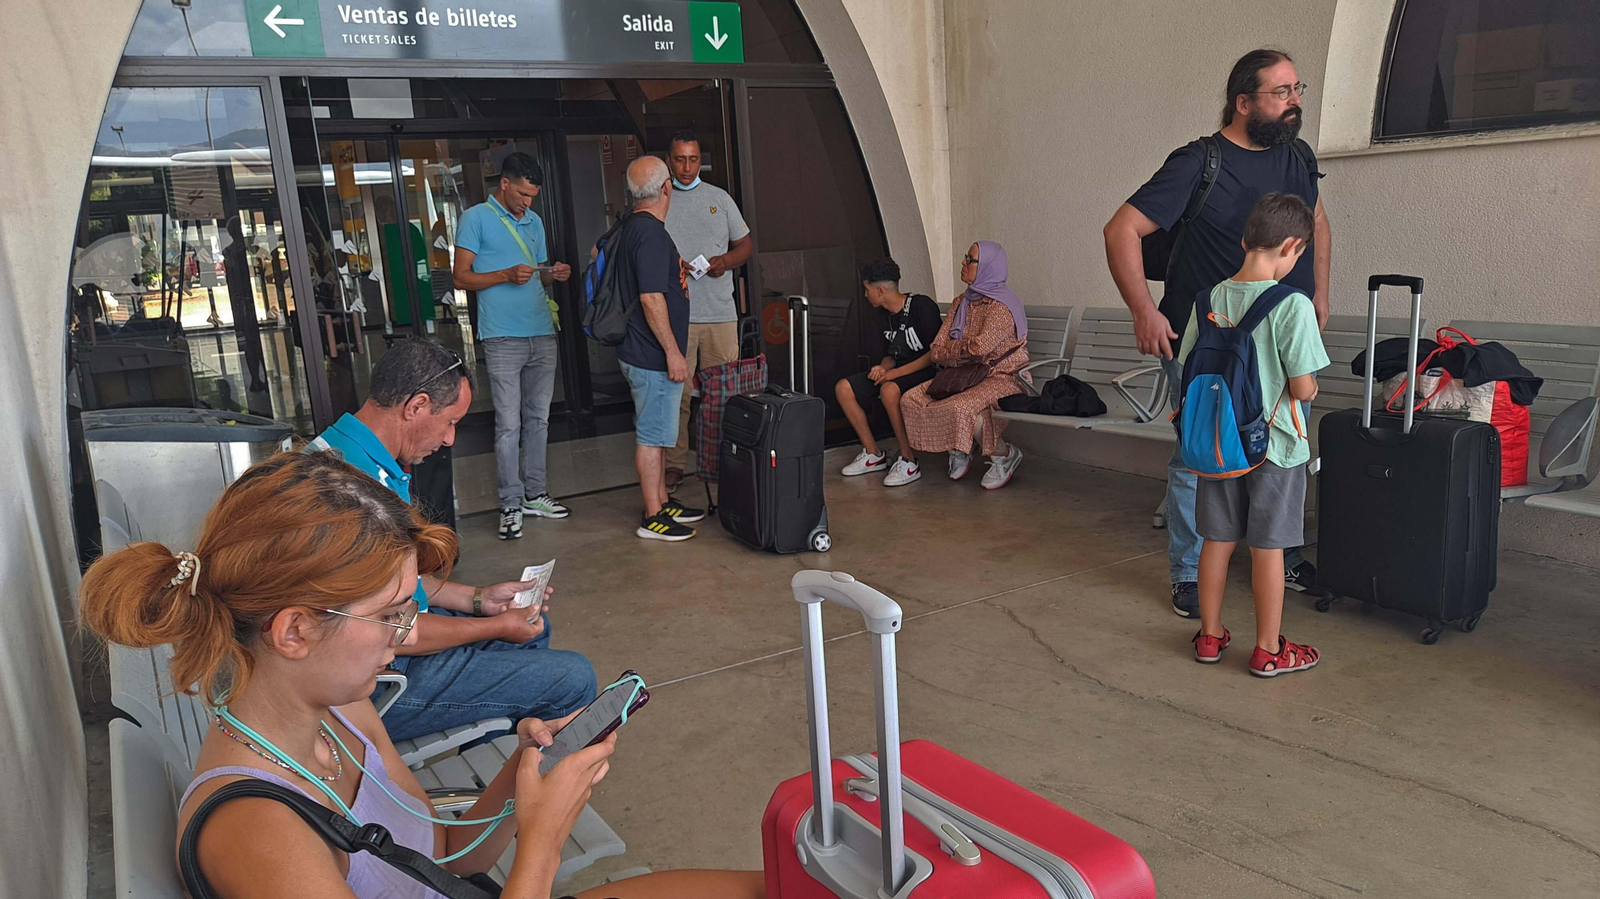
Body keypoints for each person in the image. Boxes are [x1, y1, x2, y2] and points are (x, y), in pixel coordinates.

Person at [79, 451, 765, 899]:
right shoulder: (256, 828)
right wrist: (544, 845)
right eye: (389, 615)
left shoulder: (339, 711)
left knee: (776, 885)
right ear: (294, 629)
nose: (406, 636)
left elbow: (441, 852)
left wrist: (522, 776)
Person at [1103, 48, 1331, 618]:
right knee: (1200, 454)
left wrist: (1320, 293)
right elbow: (1121, 229)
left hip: (1279, 339)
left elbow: (1318, 221)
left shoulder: (1297, 156)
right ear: (1244, 102)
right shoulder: (1198, 162)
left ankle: (1279, 551)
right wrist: (1143, 311)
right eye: (1281, 93)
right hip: (1208, 340)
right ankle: (1187, 571)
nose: (1294, 101)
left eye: (1297, 89)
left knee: (1281, 447)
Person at [308, 338, 596, 744]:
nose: (449, 440)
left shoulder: (349, 453)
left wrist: (478, 599)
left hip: (377, 647)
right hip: (371, 687)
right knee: (573, 677)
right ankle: (529, 794)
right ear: (416, 406)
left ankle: (489, 734)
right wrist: (494, 625)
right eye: (450, 422)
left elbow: (389, 584)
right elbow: (398, 634)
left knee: (532, 625)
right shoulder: (356, 492)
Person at [1186, 193, 1329, 677]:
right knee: (1268, 546)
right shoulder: (1293, 305)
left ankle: (1209, 635)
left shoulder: (1208, 299)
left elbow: (1190, 366)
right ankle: (1269, 649)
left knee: (1216, 538)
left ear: (1246, 240)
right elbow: (1303, 385)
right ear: (1291, 246)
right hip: (1276, 445)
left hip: (1217, 441)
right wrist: (1309, 383)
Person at [452, 152, 574, 540]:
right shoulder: (475, 218)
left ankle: (535, 494)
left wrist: (555, 274)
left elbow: (537, 276)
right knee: (508, 423)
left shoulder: (534, 221)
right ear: (503, 183)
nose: (527, 202)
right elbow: (460, 278)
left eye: (533, 196)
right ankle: (510, 502)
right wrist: (504, 274)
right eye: (522, 193)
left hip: (541, 329)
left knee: (539, 419)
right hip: (502, 335)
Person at [614, 156, 704, 541]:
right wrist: (673, 351)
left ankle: (663, 501)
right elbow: (651, 298)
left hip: (641, 350)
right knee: (652, 436)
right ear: (667, 188)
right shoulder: (650, 234)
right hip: (651, 354)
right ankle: (653, 516)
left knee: (661, 432)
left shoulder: (631, 228)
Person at [662, 130, 754, 491]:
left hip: (719, 314)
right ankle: (674, 465)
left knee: (725, 396)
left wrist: (725, 262)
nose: (687, 167)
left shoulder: (720, 198)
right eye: (680, 159)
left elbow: (745, 245)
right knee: (677, 397)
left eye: (693, 159)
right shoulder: (660, 199)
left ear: (702, 160)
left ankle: (722, 459)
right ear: (669, 160)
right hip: (677, 317)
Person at [901, 241, 1029, 490]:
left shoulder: (1002, 306)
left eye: (970, 259)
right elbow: (936, 349)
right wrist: (960, 352)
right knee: (911, 399)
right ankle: (959, 447)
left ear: (988, 268)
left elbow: (980, 349)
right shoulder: (962, 302)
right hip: (965, 375)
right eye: (966, 258)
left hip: (1003, 377)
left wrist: (954, 351)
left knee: (960, 407)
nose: (963, 263)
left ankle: (1003, 456)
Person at [835, 258, 943, 486]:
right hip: (898, 372)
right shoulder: (881, 316)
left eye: (867, 291)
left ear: (880, 290)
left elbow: (934, 354)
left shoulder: (921, 306)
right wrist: (883, 368)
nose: (866, 296)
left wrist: (894, 374)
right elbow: (890, 354)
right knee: (844, 388)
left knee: (889, 390)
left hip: (927, 372)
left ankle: (908, 460)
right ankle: (873, 454)